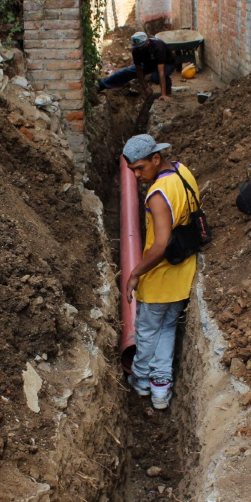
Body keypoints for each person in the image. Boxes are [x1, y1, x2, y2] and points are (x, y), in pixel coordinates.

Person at [122, 134, 199, 409]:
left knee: (146, 332)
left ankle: (141, 381)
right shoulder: (183, 173)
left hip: (159, 278)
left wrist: (135, 273)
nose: (136, 175)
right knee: (166, 329)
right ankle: (160, 391)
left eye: (140, 168)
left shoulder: (158, 195)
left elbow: (161, 244)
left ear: (156, 158)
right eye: (132, 170)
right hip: (182, 272)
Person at [98, 32, 175, 101]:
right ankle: (101, 84)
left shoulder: (158, 46)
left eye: (142, 46)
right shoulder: (136, 50)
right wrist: (145, 88)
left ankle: (167, 88)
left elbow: (161, 72)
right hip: (148, 64)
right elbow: (138, 69)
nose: (140, 49)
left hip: (166, 64)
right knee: (127, 71)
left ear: (147, 41)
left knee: (155, 77)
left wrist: (163, 94)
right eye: (138, 47)